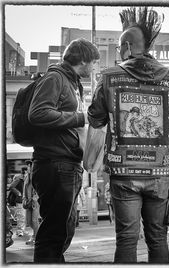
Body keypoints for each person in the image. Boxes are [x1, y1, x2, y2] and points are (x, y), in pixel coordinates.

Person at [86, 7, 169, 263]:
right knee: (157, 236)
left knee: (126, 237)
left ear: (126, 47)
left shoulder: (109, 78)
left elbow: (95, 118)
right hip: (160, 172)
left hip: (123, 171)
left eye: (118, 47)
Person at [28, 38, 99, 263]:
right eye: (94, 62)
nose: (95, 67)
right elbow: (37, 113)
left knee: (63, 230)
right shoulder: (55, 78)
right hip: (55, 163)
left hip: (67, 164)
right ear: (84, 60)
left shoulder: (71, 82)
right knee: (53, 233)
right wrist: (79, 117)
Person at [23, 160, 40, 246]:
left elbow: (40, 188)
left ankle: (36, 238)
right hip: (28, 201)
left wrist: (36, 198)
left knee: (34, 220)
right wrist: (24, 199)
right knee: (29, 222)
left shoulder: (37, 176)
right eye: (28, 166)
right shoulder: (26, 177)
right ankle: (38, 234)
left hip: (35, 202)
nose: (28, 168)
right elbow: (24, 189)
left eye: (30, 166)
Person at [8, 168, 28, 237]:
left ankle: (22, 230)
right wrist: (19, 193)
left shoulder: (27, 178)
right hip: (20, 199)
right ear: (24, 172)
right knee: (21, 216)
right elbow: (11, 187)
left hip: (25, 199)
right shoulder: (19, 178)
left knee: (24, 216)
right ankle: (20, 231)